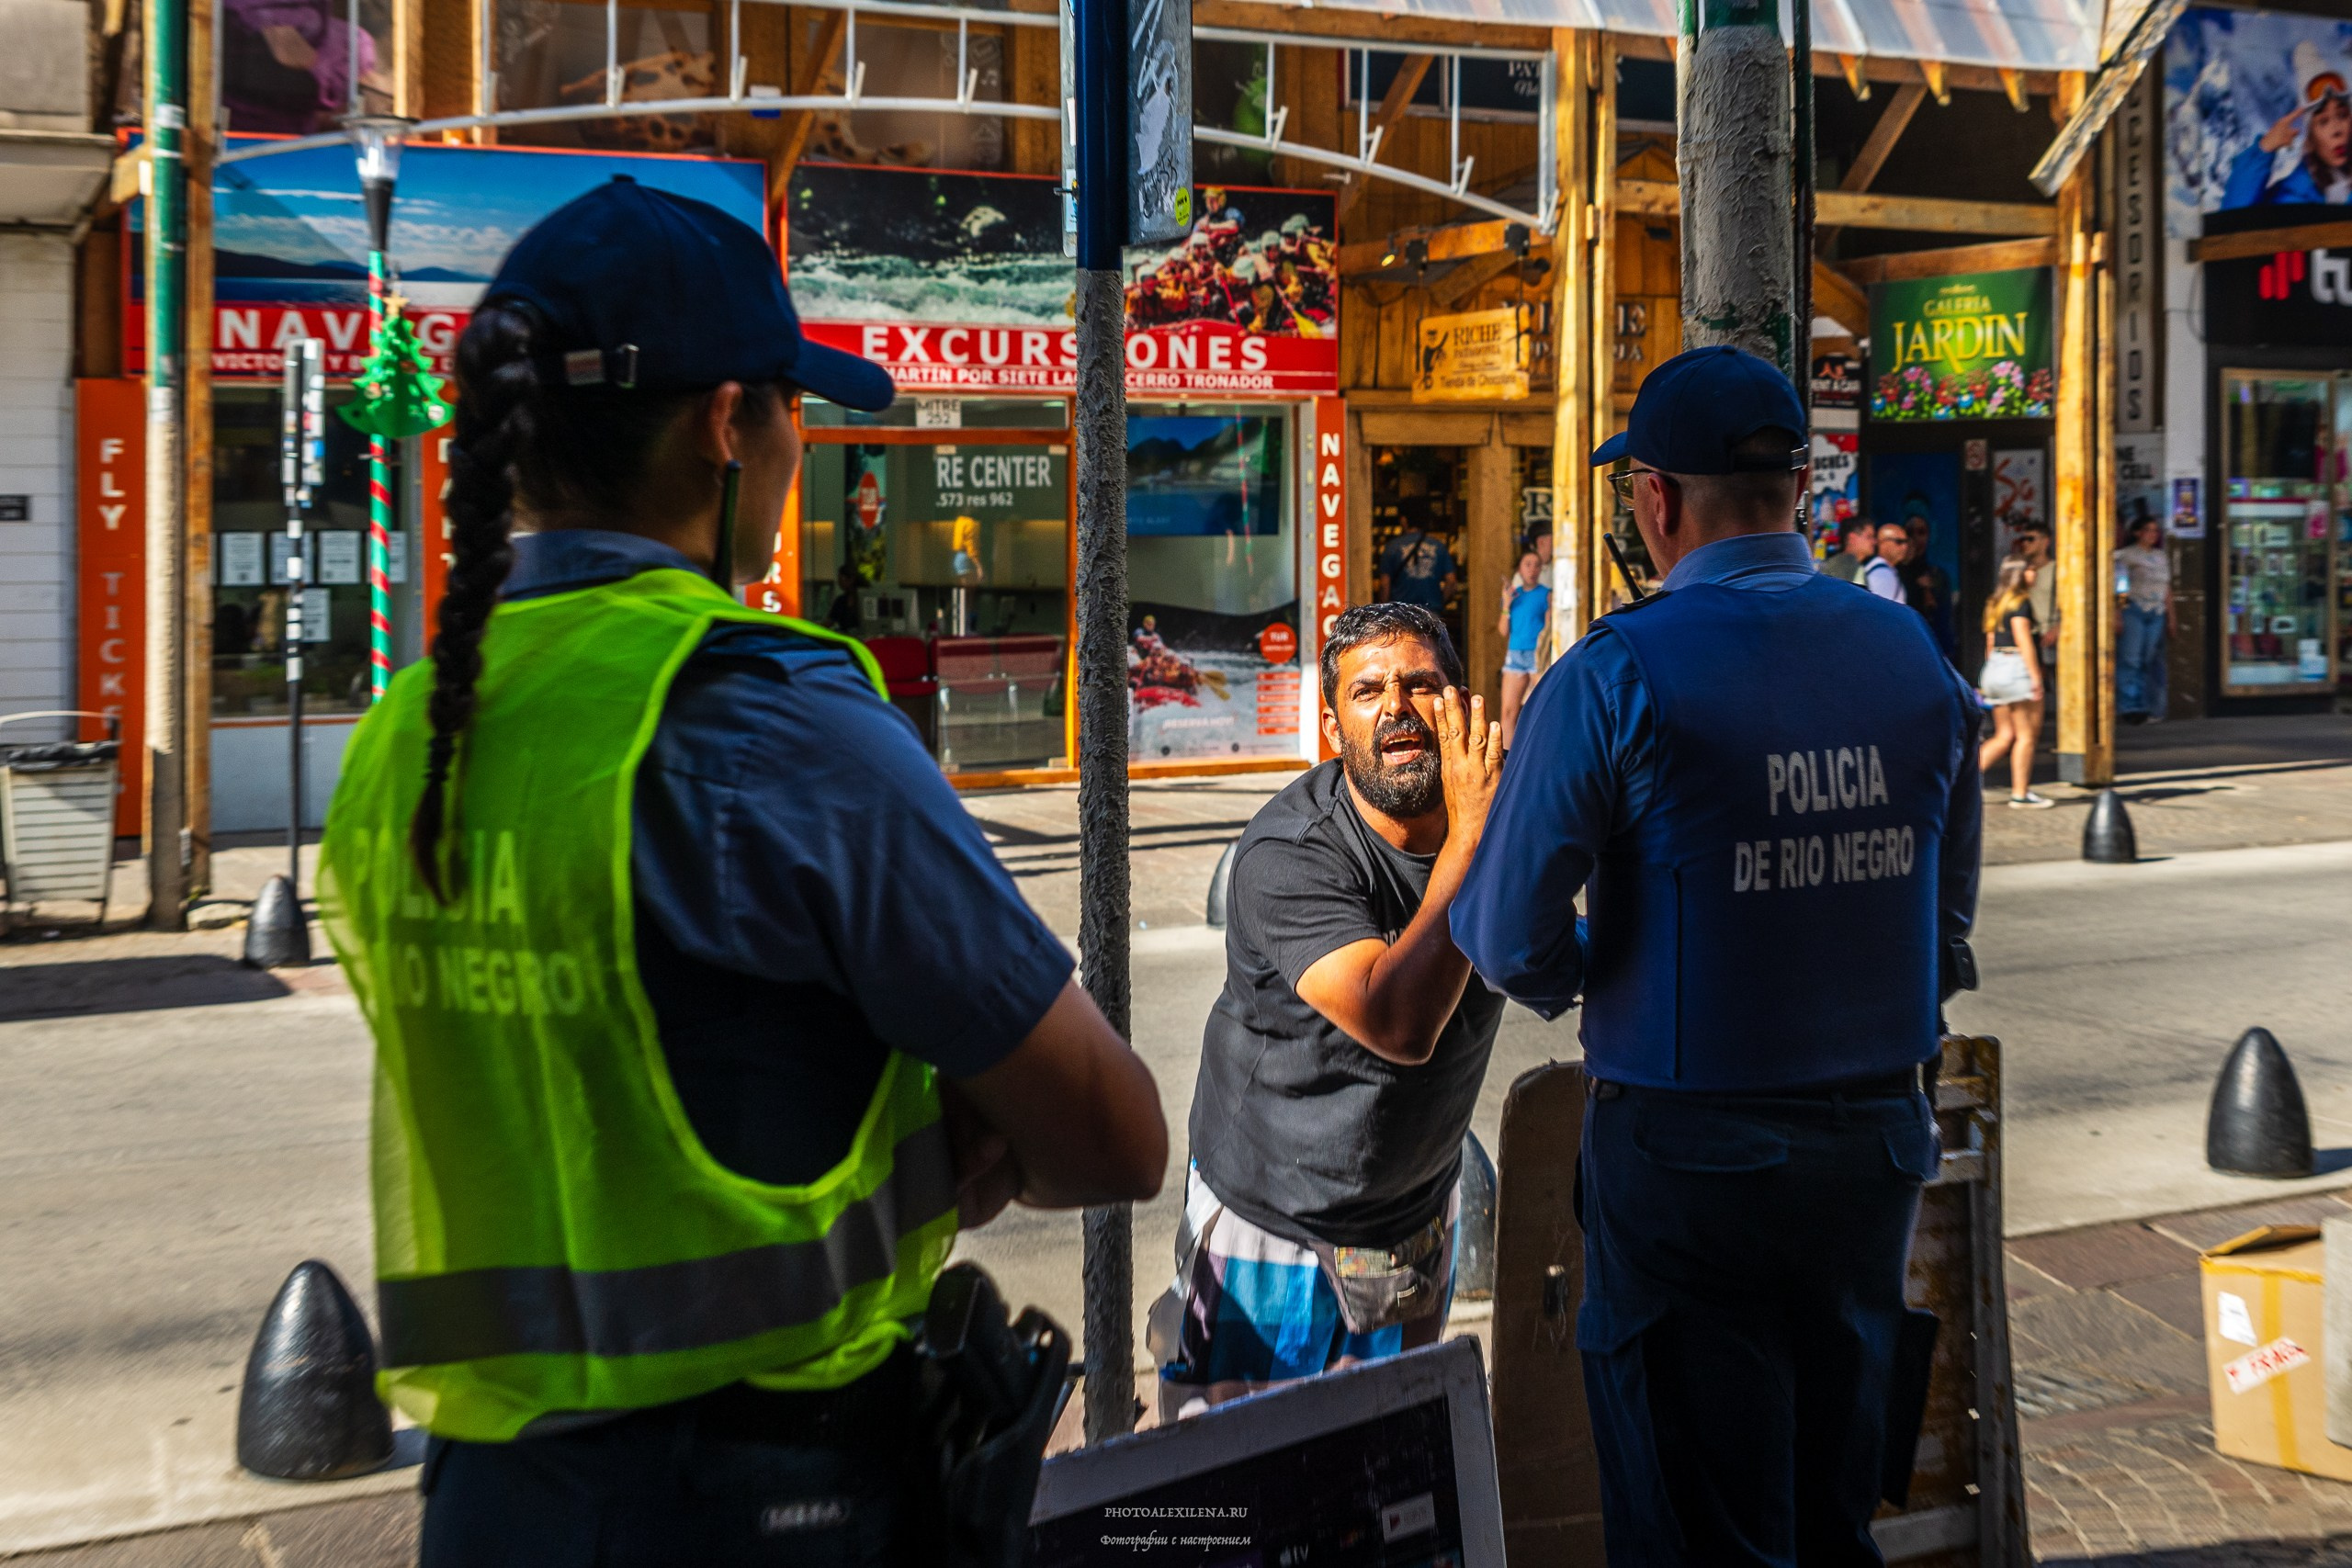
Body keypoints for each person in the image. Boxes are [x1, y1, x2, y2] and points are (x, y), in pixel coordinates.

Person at [315, 178, 1168, 1567]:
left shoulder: (397, 743)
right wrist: (943, 1152)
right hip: (763, 1503)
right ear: (728, 423)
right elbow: (1114, 1135)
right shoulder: (780, 728)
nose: (794, 448)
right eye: (792, 412)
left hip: (489, 1511)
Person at [1452, 345, 1983, 1568]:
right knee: (1832, 1505)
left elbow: (1503, 932)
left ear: (1656, 498)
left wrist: (1599, 961)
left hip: (1691, 1163)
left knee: (1696, 1524)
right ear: (1798, 486)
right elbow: (1943, 933)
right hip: (1870, 1158)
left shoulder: (1617, 673)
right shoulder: (1914, 661)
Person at [1156, 603, 1504, 1419]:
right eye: (1368, 690)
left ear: (1458, 702)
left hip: (1419, 1208)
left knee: (1398, 1471)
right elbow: (1398, 1024)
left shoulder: (1496, 814)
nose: (1396, 709)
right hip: (1274, 1230)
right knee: (1251, 1487)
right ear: (1331, 723)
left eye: (1421, 685)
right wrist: (1473, 842)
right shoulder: (1290, 852)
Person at [2224, 41, 2352, 209]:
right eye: (2323, 121)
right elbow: (2234, 220)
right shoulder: (2290, 197)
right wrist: (2263, 150)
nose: (2337, 130)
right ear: (2311, 138)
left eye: (2342, 116)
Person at [1976, 557, 2053, 807]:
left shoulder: (1995, 602)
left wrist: (1990, 676)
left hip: (1996, 667)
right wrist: (2035, 677)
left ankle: (1957, 782)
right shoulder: (2021, 602)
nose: (2034, 574)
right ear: (2020, 574)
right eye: (2030, 570)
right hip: (2016, 667)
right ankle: (2020, 793)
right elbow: (2023, 640)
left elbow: (1990, 643)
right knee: (2026, 736)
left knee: (2003, 735)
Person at [2115, 511, 2172, 724]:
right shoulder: (2127, 555)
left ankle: (2148, 705)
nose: (2152, 534)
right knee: (2131, 659)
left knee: (2148, 658)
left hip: (2156, 610)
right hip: (2134, 608)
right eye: (2147, 530)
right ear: (2137, 533)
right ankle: (2130, 706)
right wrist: (2118, 612)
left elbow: (2167, 587)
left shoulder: (2161, 556)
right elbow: (2120, 585)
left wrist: (2171, 615)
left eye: (2155, 531)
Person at [1498, 547, 1550, 748]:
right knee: (1508, 712)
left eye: (1537, 565)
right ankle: (1506, 760)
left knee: (1541, 709)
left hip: (1537, 656)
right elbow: (1503, 631)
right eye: (1528, 565)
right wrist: (1506, 604)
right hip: (1515, 654)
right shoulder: (1512, 595)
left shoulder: (1547, 594)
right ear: (1519, 569)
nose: (1532, 569)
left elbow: (1549, 629)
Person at [1897, 510, 1958, 659]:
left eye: (1921, 532)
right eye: (1910, 533)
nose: (1915, 539)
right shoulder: (1895, 572)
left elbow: (1942, 617)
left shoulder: (1937, 575)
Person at [2012, 519, 2061, 692]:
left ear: (2045, 541)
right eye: (2023, 539)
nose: (2025, 543)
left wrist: (2058, 628)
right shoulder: (2018, 570)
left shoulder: (2058, 569)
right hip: (2028, 635)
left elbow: (2071, 603)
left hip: (2052, 634)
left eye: (2031, 539)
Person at [1377, 518, 1459, 613]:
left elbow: (1384, 585)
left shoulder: (1392, 547)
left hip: (1401, 612)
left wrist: (1385, 611)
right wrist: (1440, 603)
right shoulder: (1439, 546)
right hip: (1431, 611)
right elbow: (1451, 581)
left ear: (1404, 520)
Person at [1863, 517, 1909, 603]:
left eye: (1906, 542)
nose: (1905, 546)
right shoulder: (1882, 573)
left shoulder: (1882, 570)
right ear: (1882, 543)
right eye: (1899, 542)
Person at [1820, 516, 1875, 584]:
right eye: (1869, 537)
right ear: (1852, 538)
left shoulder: (1854, 566)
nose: (1874, 542)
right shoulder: (1841, 566)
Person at [823, 561, 863, 632]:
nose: (839, 583)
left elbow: (829, 622)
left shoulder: (842, 601)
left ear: (851, 580)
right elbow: (830, 621)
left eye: (841, 580)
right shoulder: (841, 601)